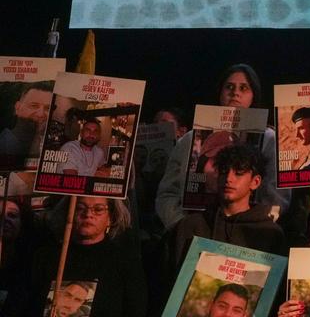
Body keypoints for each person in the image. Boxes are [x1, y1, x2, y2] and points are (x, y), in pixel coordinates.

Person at [155, 63, 289, 229]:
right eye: (229, 87)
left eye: (244, 88)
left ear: (254, 95)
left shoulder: (269, 140)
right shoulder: (190, 140)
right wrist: (182, 226)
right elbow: (167, 193)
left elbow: (277, 197)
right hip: (194, 234)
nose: (235, 93)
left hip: (248, 237)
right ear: (220, 93)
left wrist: (255, 228)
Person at [166, 144, 289, 273]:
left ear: (255, 182)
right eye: (224, 172)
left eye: (238, 173)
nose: (229, 179)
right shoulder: (189, 226)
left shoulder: (269, 233)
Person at [28, 197, 146, 317]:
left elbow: (136, 311)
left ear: (110, 218)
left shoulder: (125, 262)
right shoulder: (45, 256)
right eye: (80, 208)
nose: (88, 214)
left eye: (98, 209)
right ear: (69, 212)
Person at [0, 82, 52, 168]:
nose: (41, 114)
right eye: (34, 106)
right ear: (17, 108)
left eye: (47, 108)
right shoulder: (4, 145)